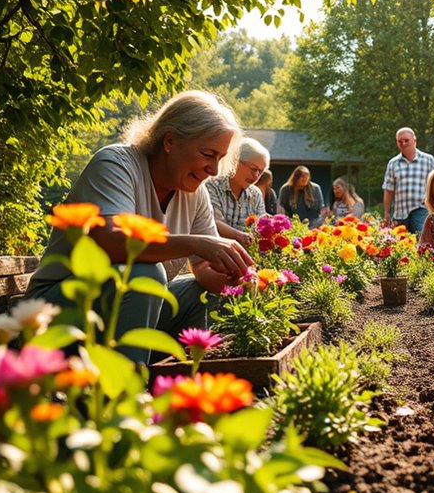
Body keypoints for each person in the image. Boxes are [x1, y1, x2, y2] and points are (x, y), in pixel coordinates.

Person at [25, 90, 255, 362]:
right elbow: (110, 241)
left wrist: (235, 276)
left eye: (220, 158)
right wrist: (196, 243)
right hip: (57, 311)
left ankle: (177, 375)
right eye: (208, 154)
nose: (214, 170)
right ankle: (126, 395)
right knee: (145, 275)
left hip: (125, 312)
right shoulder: (115, 164)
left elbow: (204, 270)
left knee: (200, 292)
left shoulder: (195, 192)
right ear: (169, 140)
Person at [205, 137, 269, 247]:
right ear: (235, 161)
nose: (256, 176)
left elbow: (260, 225)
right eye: (254, 169)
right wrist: (241, 237)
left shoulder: (255, 194)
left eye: (261, 172)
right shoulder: (212, 185)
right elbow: (212, 222)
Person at [383, 127, 434, 234]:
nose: (403, 143)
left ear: (414, 140)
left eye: (406, 140)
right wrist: (386, 213)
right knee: (400, 247)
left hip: (421, 209)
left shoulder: (428, 160)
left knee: (421, 241)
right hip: (400, 213)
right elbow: (388, 190)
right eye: (400, 141)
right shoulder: (393, 163)